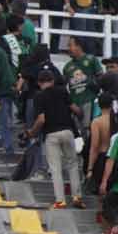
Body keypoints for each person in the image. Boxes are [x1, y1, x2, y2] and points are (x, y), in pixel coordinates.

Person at [26, 69, 84, 209]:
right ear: (52, 81)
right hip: (68, 132)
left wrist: (31, 133)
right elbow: (75, 109)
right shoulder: (62, 91)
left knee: (55, 168)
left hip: (51, 135)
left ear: (39, 83)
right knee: (72, 164)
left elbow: (41, 119)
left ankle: (60, 200)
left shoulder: (38, 96)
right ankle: (77, 197)